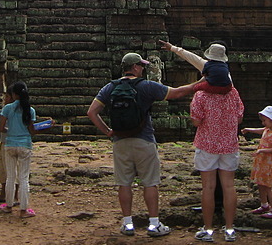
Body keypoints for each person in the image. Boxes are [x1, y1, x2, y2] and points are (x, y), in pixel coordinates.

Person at [87, 52, 197, 238]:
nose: (144, 69)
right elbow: (177, 92)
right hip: (144, 140)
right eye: (142, 66)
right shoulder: (146, 86)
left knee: (124, 183)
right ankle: (154, 224)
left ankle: (127, 224)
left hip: (120, 141)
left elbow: (92, 112)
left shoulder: (110, 87)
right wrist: (200, 83)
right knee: (150, 183)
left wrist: (108, 131)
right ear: (135, 67)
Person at [188, 68, 244, 242]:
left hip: (207, 145)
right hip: (229, 145)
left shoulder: (201, 95)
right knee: (229, 186)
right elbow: (240, 117)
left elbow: (196, 121)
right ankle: (229, 229)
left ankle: (209, 229)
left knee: (208, 188)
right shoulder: (233, 93)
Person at [0, 81, 50, 218]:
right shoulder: (30, 110)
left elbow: (1, 127)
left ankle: (9, 206)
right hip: (25, 144)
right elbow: (32, 131)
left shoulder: (8, 108)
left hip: (9, 144)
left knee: (10, 177)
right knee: (24, 178)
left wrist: (11, 131)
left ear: (14, 95)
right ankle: (23, 210)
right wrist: (46, 126)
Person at [241, 106, 272, 219]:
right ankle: (264, 204)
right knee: (260, 184)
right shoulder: (267, 130)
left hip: (269, 163)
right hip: (262, 161)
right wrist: (248, 129)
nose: (263, 123)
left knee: (268, 186)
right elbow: (258, 130)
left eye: (265, 120)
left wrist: (261, 150)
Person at [159, 40, 233, 94]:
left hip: (211, 99)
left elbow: (192, 57)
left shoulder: (208, 65)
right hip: (228, 94)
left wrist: (172, 48)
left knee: (196, 88)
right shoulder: (225, 68)